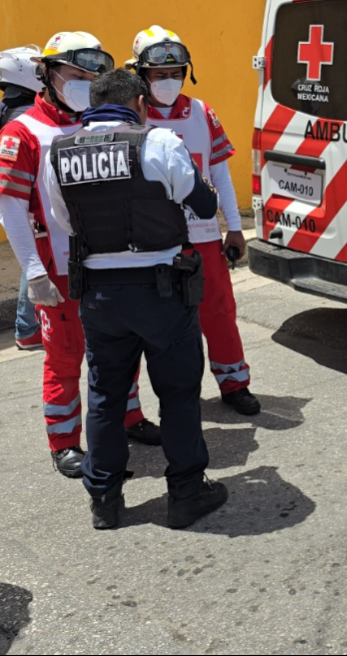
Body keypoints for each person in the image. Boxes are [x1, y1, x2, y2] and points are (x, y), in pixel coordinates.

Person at [42, 69, 227, 530]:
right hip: (161, 289)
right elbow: (204, 206)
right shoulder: (159, 142)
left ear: (92, 105)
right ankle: (186, 493)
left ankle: (104, 499)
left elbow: (64, 222)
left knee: (105, 394)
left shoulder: (58, 153)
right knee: (179, 394)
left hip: (99, 295)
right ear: (140, 104)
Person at [0, 32, 162, 479]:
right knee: (65, 356)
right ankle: (64, 441)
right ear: (48, 74)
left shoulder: (106, 123)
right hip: (61, 267)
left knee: (123, 348)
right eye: (75, 75)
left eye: (93, 76)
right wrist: (32, 273)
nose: (85, 83)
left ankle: (129, 417)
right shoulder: (23, 130)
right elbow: (9, 205)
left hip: (112, 261)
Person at [128, 25, 261, 416]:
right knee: (139, 325)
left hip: (202, 234)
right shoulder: (129, 116)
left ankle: (234, 382)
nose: (168, 82)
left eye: (176, 74)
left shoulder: (203, 113)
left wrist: (234, 226)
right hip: (150, 240)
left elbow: (219, 172)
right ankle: (130, 407)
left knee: (219, 311)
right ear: (140, 75)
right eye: (158, 75)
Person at [0, 46, 43, 351]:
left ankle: (28, 325)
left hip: (7, 194)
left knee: (28, 255)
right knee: (37, 255)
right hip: (33, 193)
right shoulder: (34, 112)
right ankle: (29, 325)